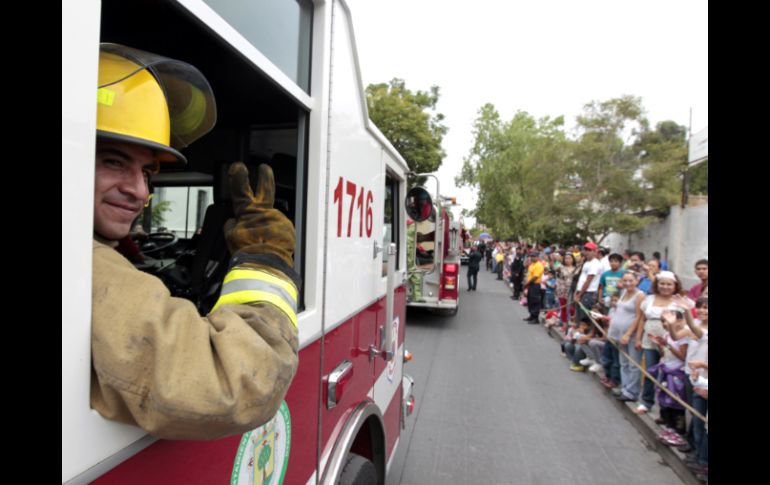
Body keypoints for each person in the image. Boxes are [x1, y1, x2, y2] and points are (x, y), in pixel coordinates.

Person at [91, 44, 300, 440]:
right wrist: (265, 260)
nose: (139, 191)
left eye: (148, 172)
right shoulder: (84, 267)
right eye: (113, 161)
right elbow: (234, 384)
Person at [574, 242, 602, 323]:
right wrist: (576, 292)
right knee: (578, 314)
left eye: (589, 250)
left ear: (594, 251)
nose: (586, 252)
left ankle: (582, 332)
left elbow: (588, 281)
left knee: (584, 316)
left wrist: (579, 295)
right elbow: (581, 279)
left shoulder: (595, 263)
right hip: (581, 292)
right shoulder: (586, 262)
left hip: (588, 293)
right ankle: (577, 331)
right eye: (585, 250)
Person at [523, 252, 544, 323]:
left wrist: (527, 284)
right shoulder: (532, 264)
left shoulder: (539, 265)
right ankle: (531, 315)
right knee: (530, 300)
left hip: (535, 284)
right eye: (531, 256)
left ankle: (535, 318)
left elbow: (535, 277)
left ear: (538, 257)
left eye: (534, 256)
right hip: (530, 285)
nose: (532, 258)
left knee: (535, 301)